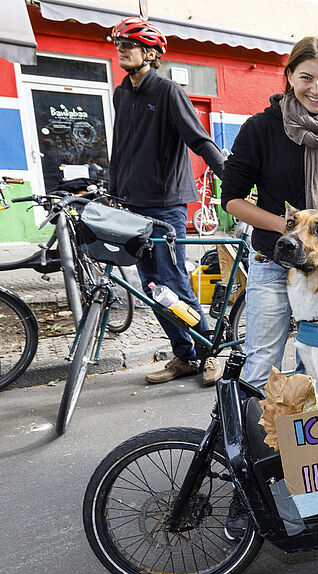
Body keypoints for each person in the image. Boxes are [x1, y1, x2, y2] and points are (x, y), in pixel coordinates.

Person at [221, 36, 318, 390]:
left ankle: (302, 445)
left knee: (314, 368)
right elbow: (232, 199)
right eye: (306, 78)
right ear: (289, 77)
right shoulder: (261, 128)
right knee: (261, 365)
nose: (316, 89)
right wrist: (294, 229)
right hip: (273, 264)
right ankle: (249, 444)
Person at [108, 17, 226, 386]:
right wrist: (113, 192)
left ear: (150, 52)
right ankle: (184, 356)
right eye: (119, 43)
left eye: (129, 44)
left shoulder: (168, 91)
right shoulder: (121, 93)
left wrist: (233, 180)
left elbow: (200, 140)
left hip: (165, 206)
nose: (122, 49)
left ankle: (210, 353)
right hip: (131, 206)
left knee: (174, 281)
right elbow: (121, 148)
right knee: (151, 286)